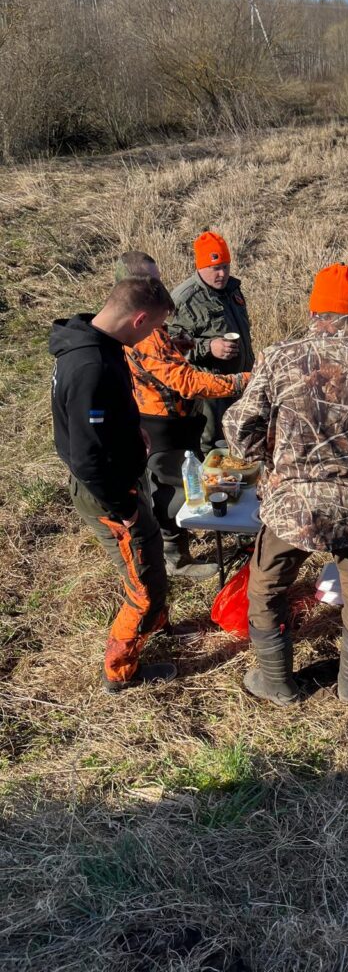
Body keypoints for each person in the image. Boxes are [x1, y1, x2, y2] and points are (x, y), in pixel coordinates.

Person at [224, 263, 348, 706]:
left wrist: (271, 460)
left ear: (314, 312)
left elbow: (239, 429)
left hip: (293, 503)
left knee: (268, 587)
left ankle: (277, 683)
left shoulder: (278, 357)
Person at [50, 277, 185, 692]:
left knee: (153, 560)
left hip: (123, 478)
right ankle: (121, 670)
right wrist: (121, 508)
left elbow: (96, 423)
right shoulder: (90, 366)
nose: (150, 337)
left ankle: (157, 625)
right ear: (139, 319)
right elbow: (86, 457)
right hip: (109, 493)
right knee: (142, 583)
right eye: (152, 327)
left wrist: (131, 430)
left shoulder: (98, 343)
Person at [117, 251, 250, 579]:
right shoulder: (145, 332)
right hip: (160, 423)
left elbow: (160, 362)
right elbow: (186, 381)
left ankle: (177, 545)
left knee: (180, 482)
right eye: (152, 281)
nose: (160, 286)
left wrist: (178, 346)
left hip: (170, 417)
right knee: (173, 490)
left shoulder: (145, 323)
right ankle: (175, 557)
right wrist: (241, 381)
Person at [168, 231, 254, 453]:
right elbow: (170, 349)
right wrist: (209, 347)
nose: (222, 274)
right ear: (200, 267)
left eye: (225, 266)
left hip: (241, 382)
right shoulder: (185, 299)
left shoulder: (232, 289)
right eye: (215, 268)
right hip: (209, 392)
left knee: (240, 438)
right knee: (212, 446)